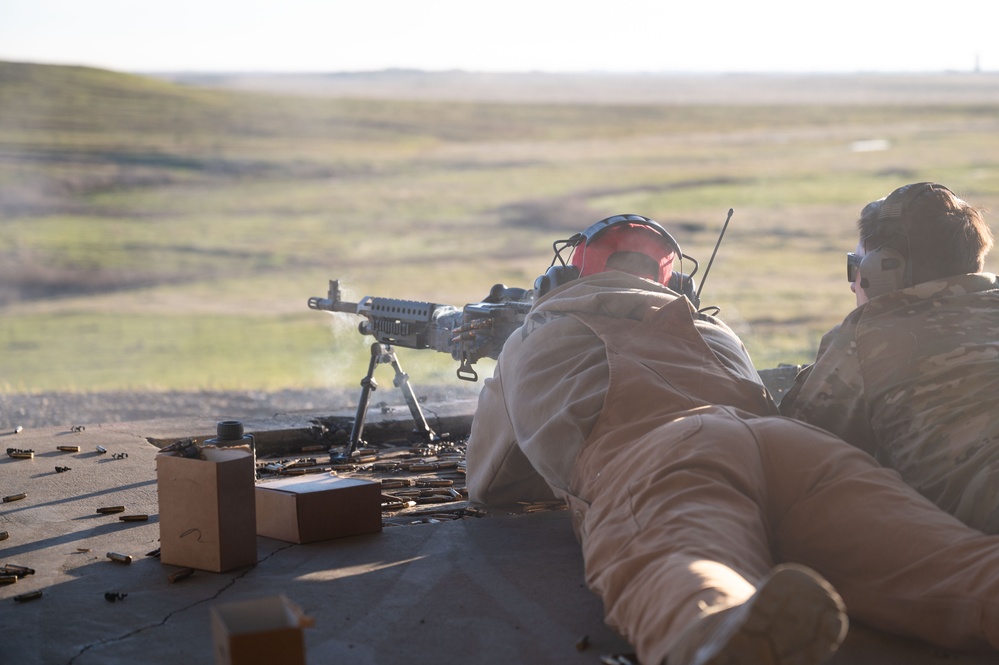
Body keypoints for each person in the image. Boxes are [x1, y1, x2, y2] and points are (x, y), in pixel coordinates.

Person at [462, 213, 999, 665]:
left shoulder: (536, 335)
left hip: (666, 455)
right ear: (678, 285)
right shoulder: (715, 329)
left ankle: (720, 628)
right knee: (957, 566)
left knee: (681, 563)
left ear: (563, 278)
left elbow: (489, 483)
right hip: (791, 446)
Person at [779, 182, 999, 533]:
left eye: (857, 265)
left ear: (883, 269)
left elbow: (796, 454)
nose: (854, 283)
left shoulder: (868, 335)